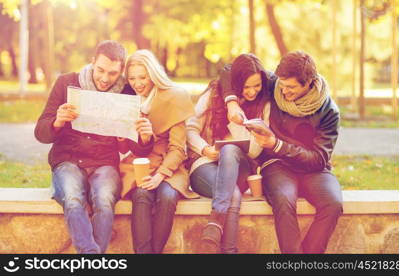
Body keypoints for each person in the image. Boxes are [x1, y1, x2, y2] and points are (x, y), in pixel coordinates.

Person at [34, 40, 154, 254]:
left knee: (104, 200)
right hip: (68, 161)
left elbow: (136, 148)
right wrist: (58, 121)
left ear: (121, 72)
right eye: (101, 70)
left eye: (113, 73)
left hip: (104, 164)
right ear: (92, 62)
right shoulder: (66, 83)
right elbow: (40, 133)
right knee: (72, 199)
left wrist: (144, 138)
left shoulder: (127, 93)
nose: (105, 78)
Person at [220, 51, 343, 253]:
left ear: (309, 82)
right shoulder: (274, 84)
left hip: (314, 169)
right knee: (284, 200)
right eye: (282, 85)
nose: (284, 91)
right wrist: (231, 102)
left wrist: (277, 144)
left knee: (333, 204)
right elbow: (229, 70)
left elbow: (319, 158)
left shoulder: (329, 111)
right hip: (277, 165)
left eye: (291, 87)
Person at [186, 53, 270, 253]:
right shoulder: (213, 95)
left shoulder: (264, 104)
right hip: (205, 166)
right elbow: (189, 129)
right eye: (246, 86)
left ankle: (215, 222)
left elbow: (256, 149)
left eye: (256, 86)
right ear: (235, 84)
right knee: (232, 195)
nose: (251, 92)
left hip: (240, 167)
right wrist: (205, 149)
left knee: (230, 149)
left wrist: (236, 120)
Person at [119, 49, 198, 254]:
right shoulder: (129, 102)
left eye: (143, 77)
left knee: (168, 196)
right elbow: (125, 146)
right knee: (142, 195)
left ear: (153, 74)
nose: (137, 83)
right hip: (141, 162)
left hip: (170, 164)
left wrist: (161, 175)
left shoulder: (174, 97)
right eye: (132, 78)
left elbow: (178, 148)